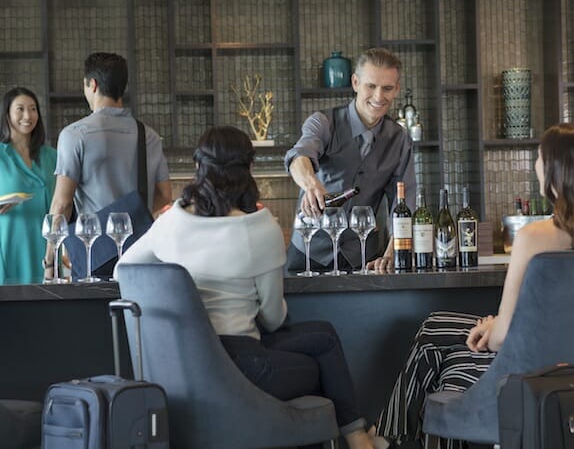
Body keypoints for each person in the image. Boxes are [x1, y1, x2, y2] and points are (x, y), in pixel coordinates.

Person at [116, 126, 377, 449]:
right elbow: (271, 318)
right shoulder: (260, 227)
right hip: (244, 368)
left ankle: (357, 438)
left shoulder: (169, 224)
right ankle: (357, 440)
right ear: (249, 170)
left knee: (322, 336)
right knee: (320, 364)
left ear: (199, 169)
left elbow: (124, 268)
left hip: (180, 369)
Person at [373, 123, 574, 448]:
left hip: (529, 370)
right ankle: (386, 437)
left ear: (556, 171)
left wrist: (496, 327)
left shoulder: (533, 237)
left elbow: (503, 339)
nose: (535, 165)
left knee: (445, 363)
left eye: (540, 158)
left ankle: (387, 437)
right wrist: (496, 324)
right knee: (434, 325)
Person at [284, 47, 416, 272]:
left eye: (387, 88)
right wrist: (311, 184)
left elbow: (404, 202)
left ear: (397, 90)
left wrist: (393, 252)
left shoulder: (399, 139)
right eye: (371, 86)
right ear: (355, 83)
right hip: (310, 251)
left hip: (364, 254)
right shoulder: (323, 122)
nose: (378, 96)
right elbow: (299, 156)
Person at [44, 52, 172, 278]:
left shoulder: (75, 134)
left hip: (92, 254)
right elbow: (164, 195)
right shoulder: (148, 135)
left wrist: (50, 259)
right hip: (141, 255)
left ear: (92, 85)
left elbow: (62, 204)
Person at [0, 87, 57, 284]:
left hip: (47, 247)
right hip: (10, 242)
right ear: (7, 114)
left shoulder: (52, 156)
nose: (28, 115)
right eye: (20, 109)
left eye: (33, 109)